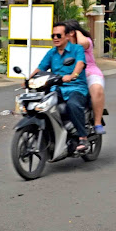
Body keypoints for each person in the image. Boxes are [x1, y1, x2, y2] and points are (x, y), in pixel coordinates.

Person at [30, 22, 90, 151]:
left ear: (67, 36)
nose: (55, 38)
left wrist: (74, 74)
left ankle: (83, 138)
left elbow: (80, 63)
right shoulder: (51, 53)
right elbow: (40, 69)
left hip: (76, 87)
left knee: (72, 105)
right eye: (53, 36)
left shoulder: (76, 49)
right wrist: (29, 80)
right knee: (42, 106)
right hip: (56, 88)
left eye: (58, 35)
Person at [64, 20, 106, 135]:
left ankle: (97, 123)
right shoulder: (63, 45)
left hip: (89, 73)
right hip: (69, 74)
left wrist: (76, 31)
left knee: (97, 89)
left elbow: (82, 43)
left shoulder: (85, 42)